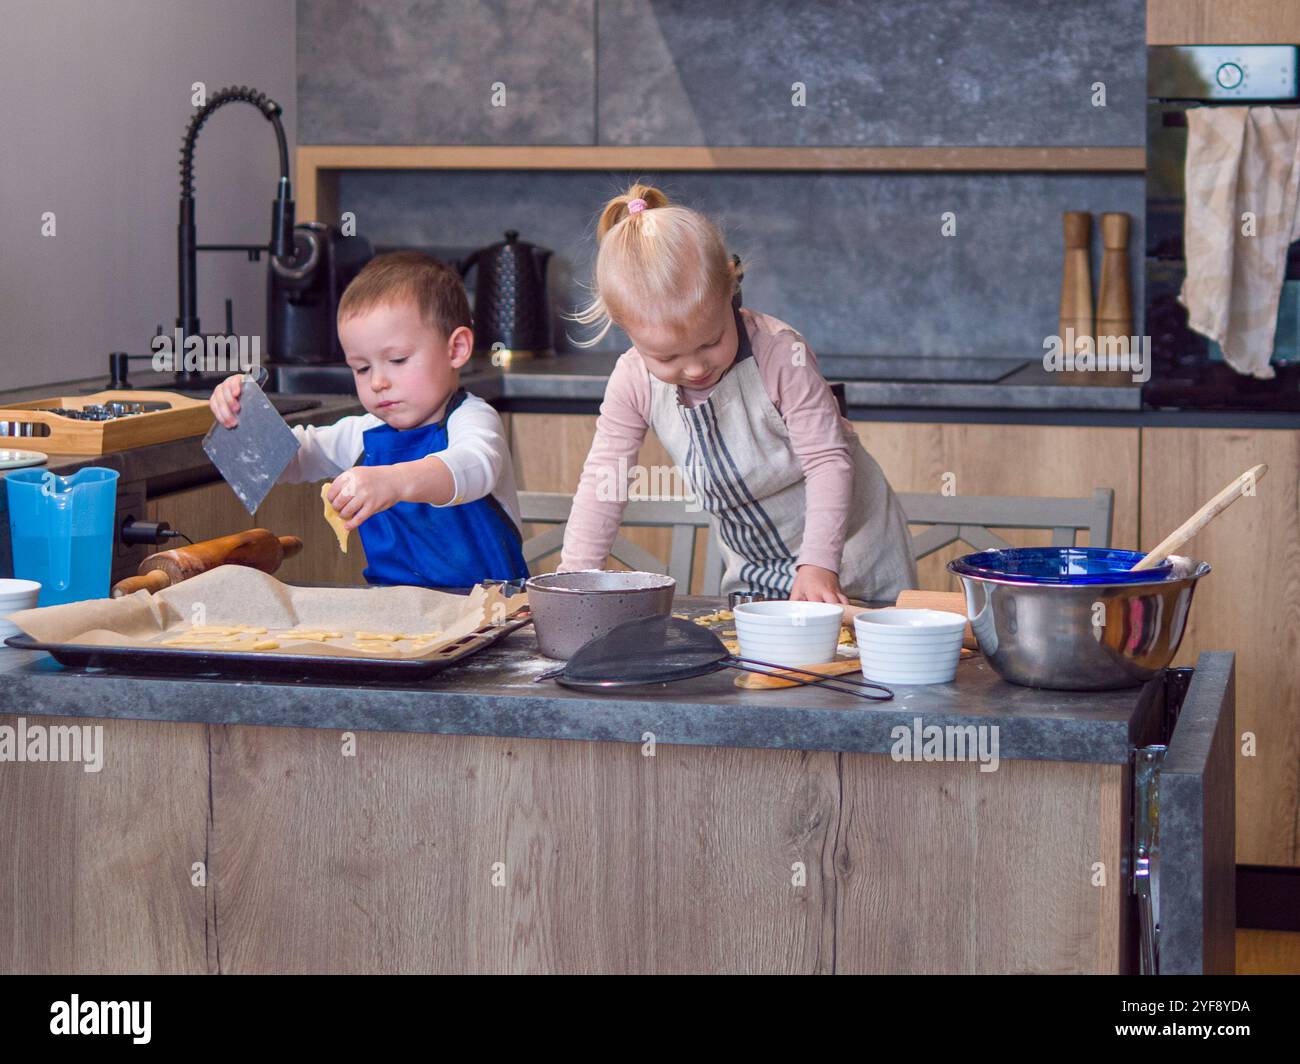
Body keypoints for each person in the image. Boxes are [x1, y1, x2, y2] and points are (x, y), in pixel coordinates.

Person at [559, 184, 916, 604]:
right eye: (667, 356)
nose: (694, 368)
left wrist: (819, 566)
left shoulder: (781, 354)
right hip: (753, 575)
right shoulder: (632, 379)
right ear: (626, 328)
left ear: (730, 287)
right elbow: (606, 478)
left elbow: (826, 461)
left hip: (853, 564)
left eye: (711, 342)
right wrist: (574, 580)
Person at [209, 251, 528, 588]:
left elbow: (474, 467)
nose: (377, 382)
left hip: (493, 613)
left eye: (398, 359)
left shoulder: (472, 419)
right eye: (361, 368)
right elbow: (282, 462)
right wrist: (241, 416)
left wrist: (394, 482)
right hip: (393, 615)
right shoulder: (362, 434)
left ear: (457, 349)